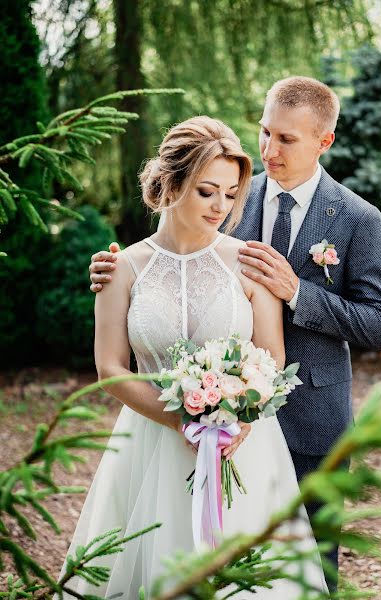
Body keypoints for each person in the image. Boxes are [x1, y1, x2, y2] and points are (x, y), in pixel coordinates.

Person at [90, 77, 381, 591]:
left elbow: (380, 323)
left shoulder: (356, 219)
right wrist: (113, 277)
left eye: (287, 140)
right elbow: (173, 260)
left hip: (310, 419)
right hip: (196, 413)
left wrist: (299, 292)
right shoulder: (227, 190)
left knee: (305, 568)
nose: (270, 150)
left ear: (325, 142)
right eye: (265, 132)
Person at [59, 115, 328, 598]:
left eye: (231, 194)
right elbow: (110, 370)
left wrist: (236, 424)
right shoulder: (119, 268)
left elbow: (271, 360)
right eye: (208, 191)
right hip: (149, 444)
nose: (221, 206)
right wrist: (181, 420)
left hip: (244, 449)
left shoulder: (250, 261)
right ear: (172, 182)